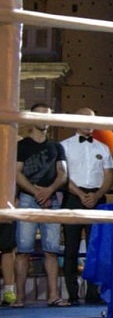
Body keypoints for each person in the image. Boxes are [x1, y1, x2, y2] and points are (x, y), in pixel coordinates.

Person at [14, 103, 68, 307]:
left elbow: (62, 174)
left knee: (51, 249)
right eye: (40, 115)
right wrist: (37, 191)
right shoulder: (22, 145)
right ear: (30, 118)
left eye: (48, 116)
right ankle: (19, 297)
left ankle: (53, 295)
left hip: (51, 200)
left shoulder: (56, 146)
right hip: (29, 199)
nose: (44, 120)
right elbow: (16, 172)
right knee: (23, 250)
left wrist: (49, 191)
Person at [60, 107, 113, 305]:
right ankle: (72, 296)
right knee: (71, 248)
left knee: (96, 248)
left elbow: (109, 176)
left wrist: (97, 195)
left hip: (97, 198)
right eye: (85, 120)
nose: (89, 124)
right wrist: (81, 194)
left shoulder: (103, 147)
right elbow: (62, 176)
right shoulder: (63, 146)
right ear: (75, 121)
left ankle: (94, 293)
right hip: (73, 198)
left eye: (92, 120)